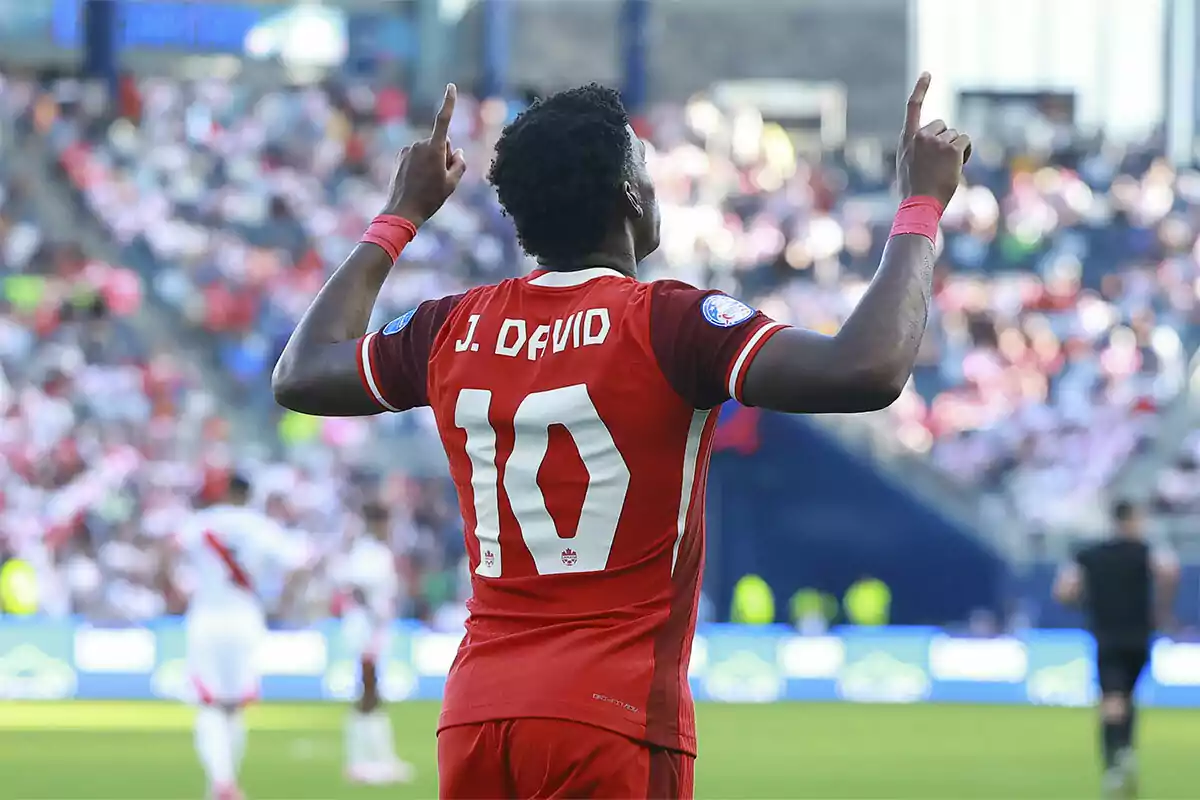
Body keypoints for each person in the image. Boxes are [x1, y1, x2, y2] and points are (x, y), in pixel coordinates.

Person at [273, 74, 968, 798]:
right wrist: (920, 206)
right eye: (644, 167)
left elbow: (302, 374)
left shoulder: (450, 326)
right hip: (613, 716)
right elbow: (869, 368)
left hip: (477, 716)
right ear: (629, 196)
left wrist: (400, 215)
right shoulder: (669, 322)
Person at [175, 474, 311, 800]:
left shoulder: (202, 523)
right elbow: (300, 562)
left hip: (206, 616)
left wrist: (177, 588)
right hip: (244, 618)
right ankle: (226, 781)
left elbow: (169, 550)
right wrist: (284, 600)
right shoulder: (261, 527)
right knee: (235, 705)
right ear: (249, 494)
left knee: (209, 703)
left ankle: (220, 782)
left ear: (224, 492)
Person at [1053, 500, 1180, 799]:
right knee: (1128, 696)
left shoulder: (1090, 555)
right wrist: (1161, 608)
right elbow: (1170, 572)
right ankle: (1126, 750)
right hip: (1140, 636)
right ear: (1132, 520)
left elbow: (1064, 590)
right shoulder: (1146, 551)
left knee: (1111, 700)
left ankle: (1114, 760)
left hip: (1108, 635)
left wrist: (1084, 601)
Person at [336, 502, 414, 785]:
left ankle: (372, 760)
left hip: (374, 627)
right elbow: (355, 587)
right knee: (369, 691)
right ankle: (365, 762)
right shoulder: (368, 552)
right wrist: (374, 614)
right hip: (366, 628)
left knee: (371, 692)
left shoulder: (373, 551)